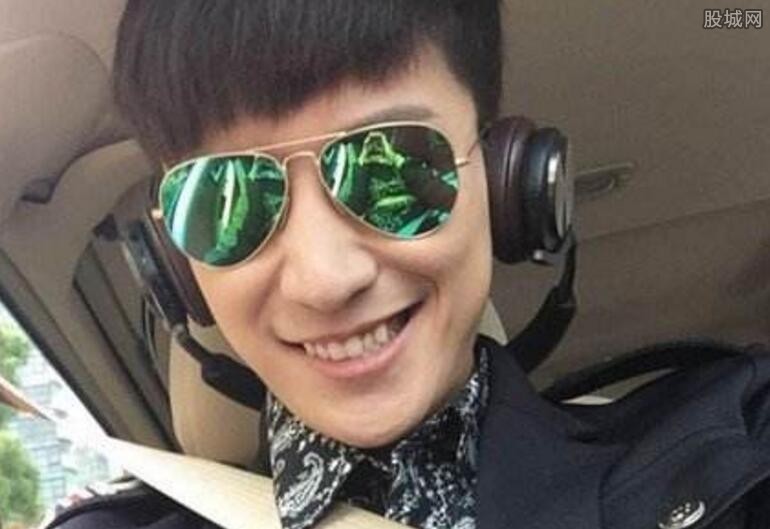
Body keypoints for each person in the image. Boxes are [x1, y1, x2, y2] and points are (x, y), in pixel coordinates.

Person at [51, 1, 770, 529]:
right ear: (178, 268)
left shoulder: (734, 454)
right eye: (227, 197)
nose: (324, 280)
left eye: (391, 167)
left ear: (510, 188)